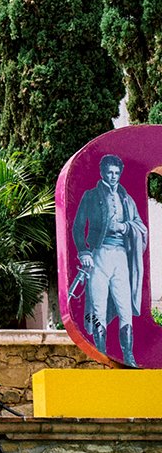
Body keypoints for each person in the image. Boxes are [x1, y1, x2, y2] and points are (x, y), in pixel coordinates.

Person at [71, 154, 148, 366]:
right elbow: (78, 227)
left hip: (121, 257)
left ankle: (128, 356)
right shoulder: (91, 196)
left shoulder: (127, 199)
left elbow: (140, 227)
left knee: (125, 307)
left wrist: (125, 227)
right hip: (98, 256)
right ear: (102, 172)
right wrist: (84, 252)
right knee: (98, 307)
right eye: (109, 172)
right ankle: (102, 354)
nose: (113, 177)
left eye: (116, 173)